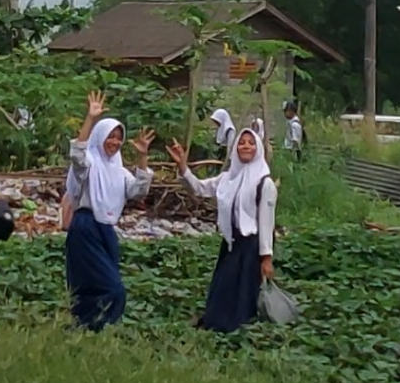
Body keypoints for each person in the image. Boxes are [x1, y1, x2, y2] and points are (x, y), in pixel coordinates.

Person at [168, 126, 276, 333]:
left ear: (259, 149)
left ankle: (239, 328)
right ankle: (217, 324)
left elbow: (266, 222)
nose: (246, 146)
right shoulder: (228, 178)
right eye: (242, 142)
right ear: (235, 148)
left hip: (251, 244)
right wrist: (183, 167)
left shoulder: (264, 183)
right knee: (223, 285)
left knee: (243, 288)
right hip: (231, 242)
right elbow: (200, 188)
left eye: (251, 143)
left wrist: (266, 257)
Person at [65, 90, 154, 331]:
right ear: (100, 136)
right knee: (110, 287)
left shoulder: (118, 170)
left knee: (99, 283)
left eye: (118, 138)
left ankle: (88, 329)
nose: (114, 143)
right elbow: (77, 155)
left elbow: (139, 192)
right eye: (110, 137)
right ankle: (94, 326)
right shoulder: (89, 163)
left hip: (105, 230)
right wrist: (90, 118)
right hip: (85, 226)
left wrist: (142, 157)